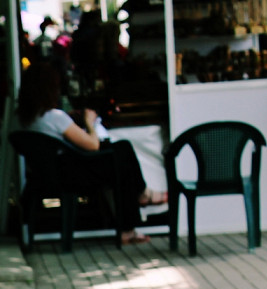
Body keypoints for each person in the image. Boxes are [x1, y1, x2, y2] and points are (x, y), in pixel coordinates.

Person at [16, 61, 166, 245]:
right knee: (122, 156)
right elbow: (92, 145)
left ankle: (139, 202)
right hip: (71, 175)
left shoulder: (25, 118)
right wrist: (89, 122)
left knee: (120, 153)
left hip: (49, 172)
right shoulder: (54, 117)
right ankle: (137, 206)